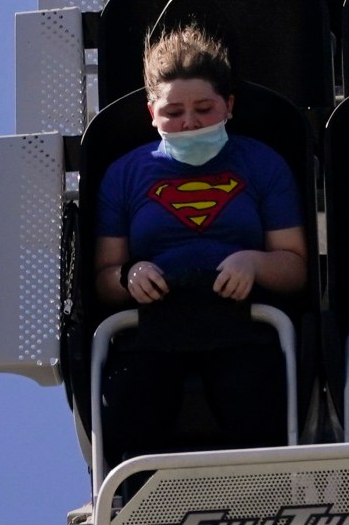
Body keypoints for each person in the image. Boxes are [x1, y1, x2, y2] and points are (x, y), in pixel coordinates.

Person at [93, 25, 309, 475]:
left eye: (203, 109)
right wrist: (129, 277)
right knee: (131, 405)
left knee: (254, 400)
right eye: (174, 112)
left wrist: (254, 263)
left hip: (243, 321)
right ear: (152, 113)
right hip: (156, 325)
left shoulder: (261, 162)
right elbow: (104, 278)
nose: (189, 122)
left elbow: (294, 267)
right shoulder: (124, 174)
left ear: (228, 106)